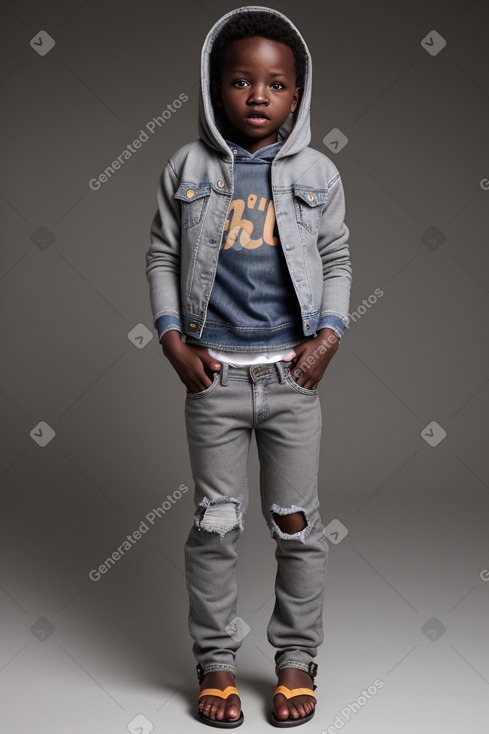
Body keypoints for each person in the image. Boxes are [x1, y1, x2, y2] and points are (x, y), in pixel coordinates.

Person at [145, 6, 352, 728]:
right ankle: (216, 663)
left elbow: (335, 258)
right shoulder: (187, 167)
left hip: (291, 383)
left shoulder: (318, 172)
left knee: (296, 525)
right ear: (214, 88)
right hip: (215, 380)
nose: (257, 96)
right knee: (215, 525)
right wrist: (172, 340)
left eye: (275, 83)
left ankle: (295, 659)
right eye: (239, 81)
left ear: (297, 94)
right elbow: (164, 256)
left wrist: (327, 336)